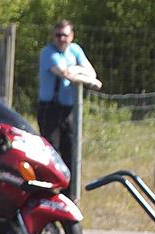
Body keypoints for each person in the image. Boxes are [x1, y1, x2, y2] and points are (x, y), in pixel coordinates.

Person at [38, 19, 100, 160]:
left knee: (71, 150)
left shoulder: (75, 50)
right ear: (53, 36)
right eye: (58, 35)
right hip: (50, 110)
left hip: (69, 110)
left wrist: (75, 68)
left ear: (71, 36)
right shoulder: (48, 53)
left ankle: (72, 182)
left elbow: (92, 72)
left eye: (65, 35)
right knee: (52, 153)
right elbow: (66, 74)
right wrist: (79, 72)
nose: (61, 39)